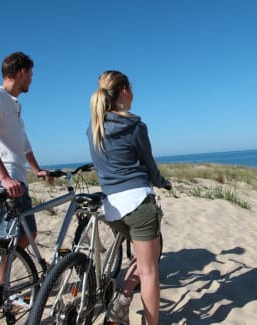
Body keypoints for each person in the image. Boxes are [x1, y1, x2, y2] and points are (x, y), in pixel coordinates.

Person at [87, 70, 172, 325]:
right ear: (124, 90)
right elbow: (149, 165)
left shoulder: (93, 128)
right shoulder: (134, 125)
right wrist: (163, 182)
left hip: (112, 210)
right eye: (131, 89)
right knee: (149, 271)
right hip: (138, 205)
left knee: (146, 256)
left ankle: (122, 300)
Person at [0, 51, 50, 302]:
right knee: (7, 238)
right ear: (21, 72)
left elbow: (24, 143)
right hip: (2, 179)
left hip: (17, 177)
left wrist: (36, 169)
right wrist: (5, 177)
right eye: (31, 74)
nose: (32, 79)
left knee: (27, 233)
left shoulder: (15, 105)